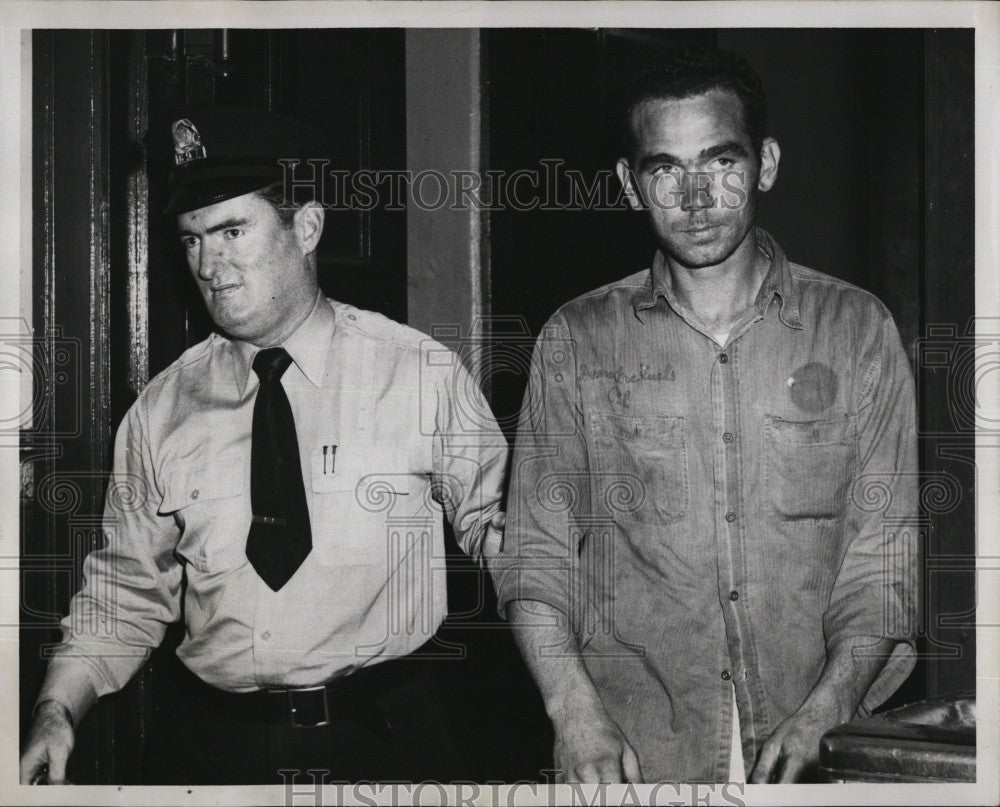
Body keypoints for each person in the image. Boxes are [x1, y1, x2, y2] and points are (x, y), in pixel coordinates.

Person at [20, 108, 508, 785]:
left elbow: (509, 536)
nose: (208, 264)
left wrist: (572, 693)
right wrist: (55, 709)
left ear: (305, 227)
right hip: (211, 750)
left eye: (230, 231)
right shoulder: (160, 411)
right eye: (191, 239)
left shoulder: (417, 373)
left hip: (388, 745)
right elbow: (125, 591)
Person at [491, 48, 917, 784]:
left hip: (817, 749)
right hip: (630, 756)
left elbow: (882, 560)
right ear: (630, 186)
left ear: (766, 162)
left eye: (721, 162)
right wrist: (573, 712)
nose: (695, 195)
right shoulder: (577, 337)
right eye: (665, 169)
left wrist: (829, 708)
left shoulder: (857, 330)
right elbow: (537, 553)